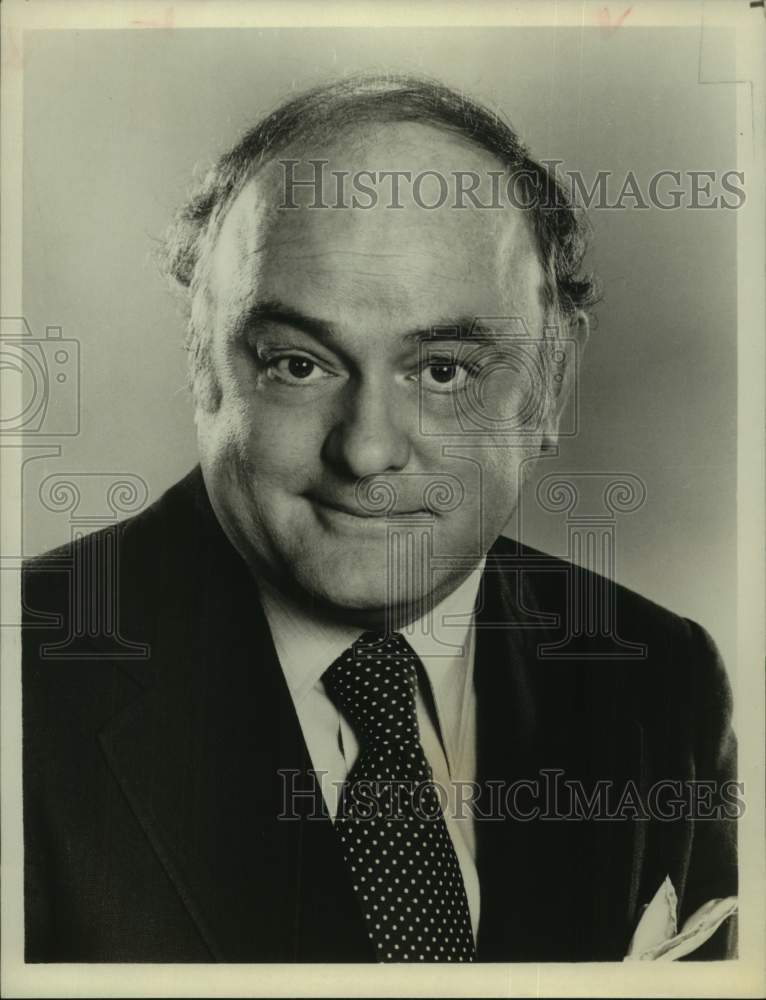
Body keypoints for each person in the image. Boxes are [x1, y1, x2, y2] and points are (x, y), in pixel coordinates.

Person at [22, 74, 738, 963]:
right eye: (297, 364)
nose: (365, 451)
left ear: (550, 383)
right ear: (203, 367)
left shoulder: (661, 683)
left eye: (442, 371)